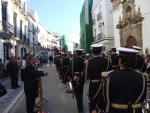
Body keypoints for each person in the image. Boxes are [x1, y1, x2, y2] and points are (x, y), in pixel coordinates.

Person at [97, 47, 147, 113]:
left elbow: (105, 97)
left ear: (120, 61)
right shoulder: (142, 77)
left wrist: (100, 107)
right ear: (135, 61)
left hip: (116, 110)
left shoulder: (111, 76)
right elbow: (143, 97)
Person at [84, 44, 111, 113]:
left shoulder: (88, 62)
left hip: (93, 87)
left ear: (92, 51)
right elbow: (110, 74)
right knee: (102, 106)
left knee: (92, 105)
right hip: (104, 87)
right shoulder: (107, 61)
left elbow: (86, 77)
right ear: (101, 51)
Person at [71, 49, 85, 113]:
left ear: (76, 53)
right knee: (81, 93)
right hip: (81, 78)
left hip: (75, 77)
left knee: (77, 93)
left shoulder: (73, 60)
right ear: (81, 54)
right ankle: (81, 107)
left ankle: (79, 107)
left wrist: (73, 77)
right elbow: (85, 71)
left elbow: (71, 69)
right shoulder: (84, 60)